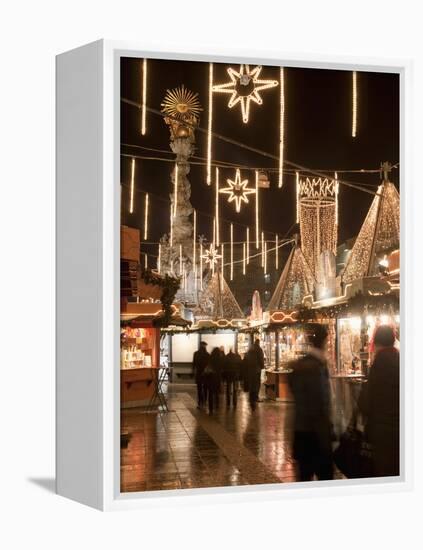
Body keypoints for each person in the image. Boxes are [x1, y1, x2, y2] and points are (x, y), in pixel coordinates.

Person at [288, 324, 334, 481]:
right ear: (324, 342)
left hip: (301, 433)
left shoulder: (302, 365)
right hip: (316, 436)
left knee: (304, 477)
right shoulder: (316, 367)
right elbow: (320, 403)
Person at [358, 325, 399, 477]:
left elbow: (366, 401)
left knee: (384, 472)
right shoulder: (401, 359)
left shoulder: (379, 363)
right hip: (401, 428)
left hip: (382, 430)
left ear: (376, 343)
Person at [244, 339, 265, 411]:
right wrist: (262, 367)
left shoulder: (250, 350)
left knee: (252, 383)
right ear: (259, 343)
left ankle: (251, 398)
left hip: (250, 370)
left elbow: (246, 359)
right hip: (257, 370)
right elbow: (261, 359)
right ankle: (255, 397)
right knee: (257, 383)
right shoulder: (259, 349)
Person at [192, 341, 209, 409]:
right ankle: (204, 401)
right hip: (205, 373)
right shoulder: (207, 354)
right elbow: (208, 365)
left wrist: (193, 371)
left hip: (199, 373)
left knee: (199, 388)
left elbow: (194, 363)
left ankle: (199, 402)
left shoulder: (196, 354)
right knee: (205, 388)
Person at [205, 347, 222, 414]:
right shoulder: (220, 359)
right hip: (217, 378)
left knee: (210, 393)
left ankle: (211, 408)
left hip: (210, 377)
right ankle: (217, 405)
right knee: (216, 392)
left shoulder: (210, 358)